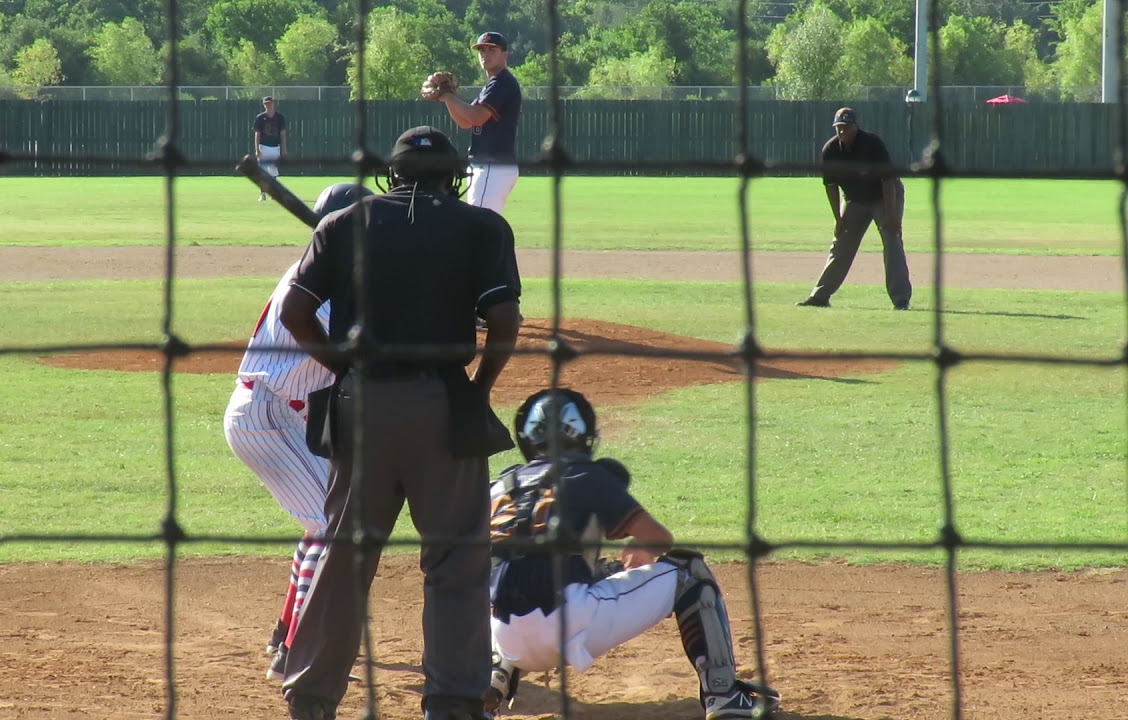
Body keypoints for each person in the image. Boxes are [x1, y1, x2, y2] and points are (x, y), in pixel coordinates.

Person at [278, 125, 523, 720]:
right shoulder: (481, 226)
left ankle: (310, 695)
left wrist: (341, 367)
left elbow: (294, 311)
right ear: (453, 175)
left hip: (361, 406)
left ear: (393, 173)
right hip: (441, 405)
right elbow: (505, 321)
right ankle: (452, 701)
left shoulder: (343, 223)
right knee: (455, 559)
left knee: (343, 555)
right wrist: (477, 391)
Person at [484, 388, 782, 720]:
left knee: (497, 581)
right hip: (571, 622)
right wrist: (639, 548)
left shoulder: (499, 487)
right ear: (582, 435)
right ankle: (723, 694)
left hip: (503, 634)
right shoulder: (586, 475)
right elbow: (658, 538)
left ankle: (493, 676)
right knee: (688, 571)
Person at [223, 182, 373, 682]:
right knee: (333, 530)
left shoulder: (323, 275)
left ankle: (286, 629)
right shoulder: (320, 290)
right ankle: (296, 648)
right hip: (265, 416)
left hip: (283, 415)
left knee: (326, 523)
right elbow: (349, 352)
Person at [797, 107, 912, 310]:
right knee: (841, 243)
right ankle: (820, 296)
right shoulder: (831, 151)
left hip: (884, 197)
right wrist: (838, 219)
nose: (842, 132)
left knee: (892, 240)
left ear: (856, 126)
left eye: (846, 127)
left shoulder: (872, 144)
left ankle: (901, 299)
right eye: (839, 128)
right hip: (854, 200)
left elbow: (887, 181)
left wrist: (892, 216)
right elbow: (830, 186)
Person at [435, 32, 522, 214]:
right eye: (481, 50)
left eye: (492, 50)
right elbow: (466, 122)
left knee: (479, 226)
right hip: (489, 167)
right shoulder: (492, 85)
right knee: (482, 227)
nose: (485, 54)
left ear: (505, 54)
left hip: (493, 166)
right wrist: (447, 99)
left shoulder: (502, 82)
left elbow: (476, 117)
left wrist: (448, 95)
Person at [253, 96, 289, 199]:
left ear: (273, 103)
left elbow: (283, 134)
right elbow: (257, 134)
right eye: (266, 104)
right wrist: (257, 149)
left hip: (275, 147)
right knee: (263, 171)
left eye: (269, 103)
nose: (268, 105)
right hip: (263, 147)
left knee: (273, 170)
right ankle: (262, 193)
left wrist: (284, 149)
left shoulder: (280, 117)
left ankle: (273, 192)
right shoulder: (260, 117)